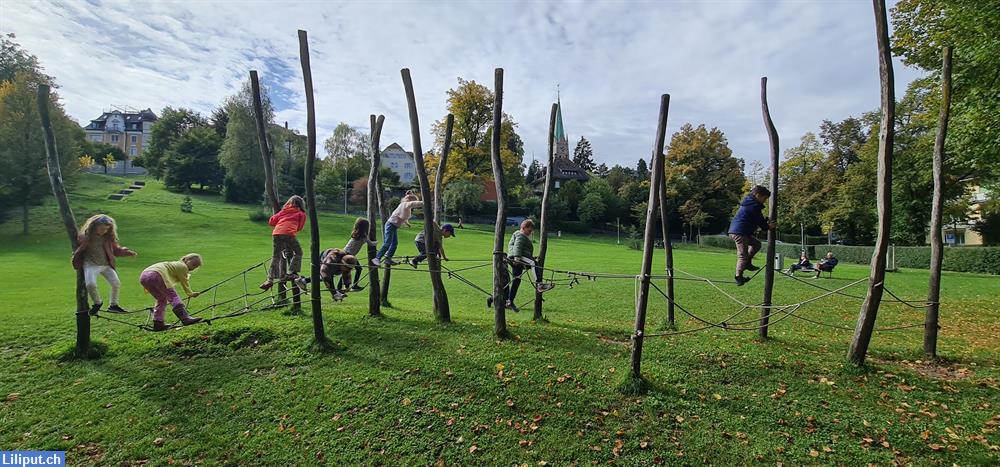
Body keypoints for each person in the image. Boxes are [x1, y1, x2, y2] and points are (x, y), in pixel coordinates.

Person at [72, 214, 137, 315]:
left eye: (106, 229)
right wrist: (76, 258)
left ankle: (113, 305)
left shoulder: (107, 238)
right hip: (91, 265)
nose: (104, 231)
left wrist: (127, 252)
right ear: (94, 226)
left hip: (106, 265)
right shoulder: (84, 237)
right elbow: (78, 249)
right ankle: (97, 303)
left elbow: (115, 249)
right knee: (90, 284)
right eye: (102, 228)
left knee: (116, 283)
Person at [489, 219, 553, 312]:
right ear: (523, 227)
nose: (530, 233)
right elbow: (518, 247)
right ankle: (539, 284)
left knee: (516, 280)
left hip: (518, 257)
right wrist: (517, 258)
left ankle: (508, 301)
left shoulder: (520, 235)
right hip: (517, 257)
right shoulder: (520, 235)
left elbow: (523, 249)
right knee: (533, 264)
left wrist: (529, 257)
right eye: (529, 230)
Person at [139, 254, 203, 331]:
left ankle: (158, 323)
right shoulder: (182, 266)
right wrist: (190, 293)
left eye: (195, 267)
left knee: (161, 299)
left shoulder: (174, 264)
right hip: (157, 274)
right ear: (186, 259)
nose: (193, 268)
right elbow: (184, 281)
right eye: (193, 264)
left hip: (144, 276)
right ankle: (185, 318)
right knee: (173, 296)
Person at [727, 186, 776, 286]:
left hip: (741, 231)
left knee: (756, 244)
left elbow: (757, 219)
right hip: (739, 232)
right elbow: (759, 221)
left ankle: (747, 263)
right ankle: (738, 276)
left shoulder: (751, 203)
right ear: (758, 195)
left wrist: (765, 223)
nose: (765, 201)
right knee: (742, 255)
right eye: (765, 198)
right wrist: (768, 226)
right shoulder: (753, 206)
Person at [261, 196, 308, 292]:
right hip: (289, 234)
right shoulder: (301, 213)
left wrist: (280, 220)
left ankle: (269, 280)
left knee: (276, 256)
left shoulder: (284, 211)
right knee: (298, 252)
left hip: (276, 233)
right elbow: (300, 227)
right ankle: (291, 272)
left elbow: (271, 221)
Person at [372, 193, 422, 266]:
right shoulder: (405, 204)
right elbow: (412, 204)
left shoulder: (406, 208)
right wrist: (424, 202)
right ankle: (377, 258)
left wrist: (407, 223)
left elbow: (402, 216)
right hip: (390, 225)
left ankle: (388, 259)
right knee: (387, 243)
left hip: (393, 226)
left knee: (394, 244)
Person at [341, 218, 376, 291]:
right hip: (349, 255)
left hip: (345, 253)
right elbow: (371, 244)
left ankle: (343, 288)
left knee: (346, 270)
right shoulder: (363, 235)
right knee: (354, 269)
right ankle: (353, 286)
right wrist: (377, 242)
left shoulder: (356, 233)